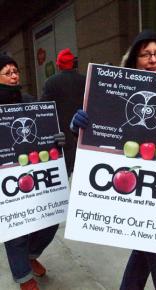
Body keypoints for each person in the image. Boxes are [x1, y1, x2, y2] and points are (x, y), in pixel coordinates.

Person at [70, 30, 156, 290]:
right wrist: (78, 125)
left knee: (150, 250)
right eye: (145, 54)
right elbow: (98, 130)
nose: (153, 59)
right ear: (134, 61)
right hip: (131, 187)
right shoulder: (115, 92)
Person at [0, 53, 64, 290]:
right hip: (6, 176)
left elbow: (43, 128)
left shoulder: (27, 99)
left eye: (15, 70)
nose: (14, 74)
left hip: (35, 171)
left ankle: (31, 255)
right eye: (7, 72)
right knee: (15, 228)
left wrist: (55, 138)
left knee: (50, 220)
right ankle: (23, 277)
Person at [40, 48, 86, 177]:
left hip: (60, 137)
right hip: (81, 134)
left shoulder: (50, 82)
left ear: (58, 64)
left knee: (64, 176)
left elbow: (43, 110)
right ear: (73, 63)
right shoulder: (85, 80)